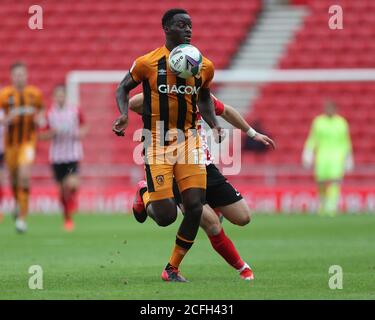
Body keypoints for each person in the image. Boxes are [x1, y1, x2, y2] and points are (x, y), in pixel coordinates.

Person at [112, 8, 223, 282]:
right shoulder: (147, 62)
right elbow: (122, 88)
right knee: (165, 216)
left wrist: (214, 124)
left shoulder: (203, 65)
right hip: (157, 142)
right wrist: (125, 114)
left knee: (195, 206)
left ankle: (172, 268)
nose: (188, 29)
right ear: (166, 29)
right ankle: (145, 194)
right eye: (181, 25)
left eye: (190, 25)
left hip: (190, 141)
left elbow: (205, 98)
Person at [130, 92, 275, 280]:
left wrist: (253, 134)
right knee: (206, 223)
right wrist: (160, 88)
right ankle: (240, 268)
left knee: (243, 217)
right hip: (176, 168)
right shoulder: (163, 93)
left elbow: (226, 111)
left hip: (204, 165)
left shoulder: (197, 92)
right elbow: (133, 103)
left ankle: (147, 191)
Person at [0, 62, 44, 233]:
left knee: (24, 176)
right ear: (12, 77)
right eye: (17, 75)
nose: (20, 77)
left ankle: (22, 218)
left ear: (26, 76)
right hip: (10, 145)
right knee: (15, 180)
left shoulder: (34, 94)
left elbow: (41, 111)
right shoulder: (5, 95)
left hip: (28, 142)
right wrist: (5, 120)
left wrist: (40, 118)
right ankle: (18, 204)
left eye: (22, 74)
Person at [39, 85, 88, 231]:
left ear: (65, 96)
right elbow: (41, 135)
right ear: (54, 97)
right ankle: (67, 218)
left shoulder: (74, 111)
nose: (60, 98)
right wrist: (52, 133)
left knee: (72, 185)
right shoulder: (49, 114)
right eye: (57, 95)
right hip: (57, 157)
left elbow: (84, 125)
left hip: (72, 154)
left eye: (62, 95)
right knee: (62, 191)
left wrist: (80, 133)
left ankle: (72, 203)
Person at [302, 100, 353, 216]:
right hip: (322, 156)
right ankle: (322, 204)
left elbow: (346, 141)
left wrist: (349, 157)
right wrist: (308, 152)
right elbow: (312, 138)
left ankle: (331, 206)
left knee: (335, 181)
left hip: (337, 157)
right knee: (321, 182)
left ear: (335, 109)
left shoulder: (341, 122)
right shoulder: (318, 122)